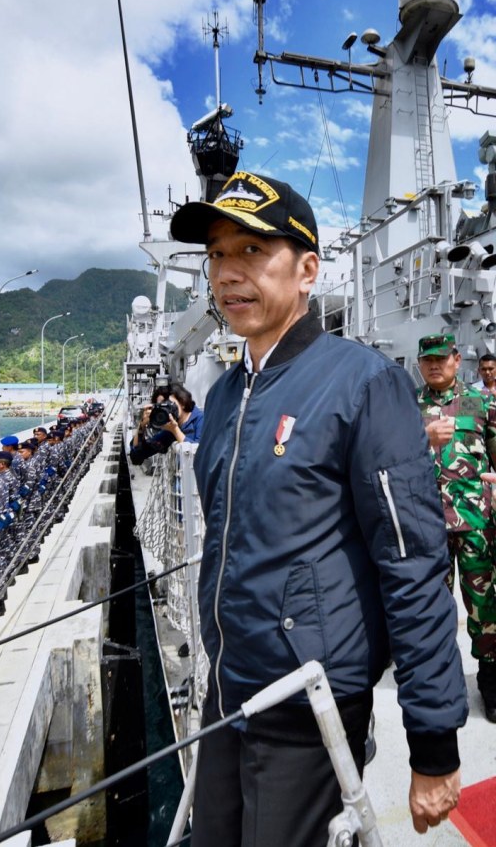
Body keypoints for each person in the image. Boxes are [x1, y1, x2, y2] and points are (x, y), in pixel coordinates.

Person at [169, 170, 467, 845]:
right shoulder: (222, 398)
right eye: (217, 253)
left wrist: (434, 743)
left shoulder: (364, 384)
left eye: (252, 250)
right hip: (227, 689)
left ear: (307, 271)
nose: (228, 272)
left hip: (309, 704)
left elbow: (413, 563)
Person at [416, 333, 496, 722]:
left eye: (441, 358)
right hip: (427, 524)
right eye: (427, 359)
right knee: (431, 604)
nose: (434, 365)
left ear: (456, 359)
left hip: (477, 524)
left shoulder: (482, 403)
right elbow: (389, 458)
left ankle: (490, 678)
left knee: (485, 606)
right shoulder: (406, 407)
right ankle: (439, 679)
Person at [129, 382, 204, 465]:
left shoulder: (202, 420)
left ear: (183, 402)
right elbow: (136, 457)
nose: (166, 410)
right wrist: (142, 426)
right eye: (161, 407)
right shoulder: (171, 429)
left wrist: (175, 431)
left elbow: (201, 456)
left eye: (168, 405)